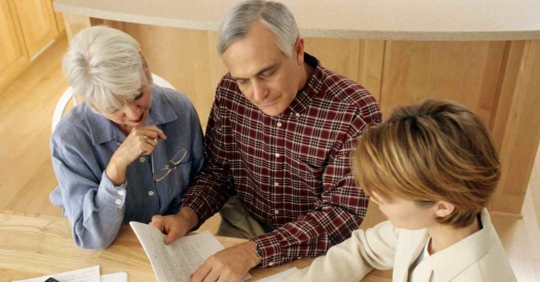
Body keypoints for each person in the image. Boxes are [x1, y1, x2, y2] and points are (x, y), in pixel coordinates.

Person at [150, 0, 381, 281]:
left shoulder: (354, 111)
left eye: (267, 73)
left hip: (318, 246)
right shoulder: (229, 92)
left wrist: (253, 252)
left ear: (297, 50)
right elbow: (218, 173)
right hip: (243, 226)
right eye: (243, 80)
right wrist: (186, 216)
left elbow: (341, 214)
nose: (257, 95)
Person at [285, 98, 517, 282]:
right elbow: (364, 249)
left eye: (386, 196)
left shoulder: (477, 276)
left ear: (443, 207)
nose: (373, 197)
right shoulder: (428, 225)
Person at [49, 26, 204, 249]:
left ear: (145, 67)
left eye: (137, 94)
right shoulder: (69, 141)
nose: (134, 115)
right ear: (92, 103)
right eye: (114, 107)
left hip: (172, 241)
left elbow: (204, 180)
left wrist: (186, 217)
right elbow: (91, 239)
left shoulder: (180, 108)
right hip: (112, 245)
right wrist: (115, 169)